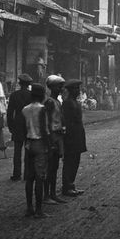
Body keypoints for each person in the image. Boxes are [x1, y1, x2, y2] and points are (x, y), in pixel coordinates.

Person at [20, 83, 49, 218]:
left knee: (29, 178)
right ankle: (39, 210)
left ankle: (29, 208)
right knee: (39, 178)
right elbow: (44, 129)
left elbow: (23, 128)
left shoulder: (25, 109)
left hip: (28, 144)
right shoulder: (42, 109)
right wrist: (49, 145)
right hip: (39, 143)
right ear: (42, 95)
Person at [43, 74, 68, 204]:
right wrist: (49, 141)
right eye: (59, 86)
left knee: (55, 167)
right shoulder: (49, 102)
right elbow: (47, 122)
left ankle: (53, 194)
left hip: (58, 136)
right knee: (50, 167)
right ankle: (46, 195)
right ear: (52, 87)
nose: (61, 88)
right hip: (52, 136)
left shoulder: (57, 101)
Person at [62, 79, 87, 196]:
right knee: (69, 162)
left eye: (78, 88)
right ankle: (67, 186)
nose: (78, 91)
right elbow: (66, 122)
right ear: (71, 90)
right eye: (76, 89)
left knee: (75, 161)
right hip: (71, 137)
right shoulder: (67, 103)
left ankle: (71, 184)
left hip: (77, 135)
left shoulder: (75, 102)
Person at [7, 73, 33, 180]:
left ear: (19, 83)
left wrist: (11, 126)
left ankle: (16, 174)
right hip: (28, 124)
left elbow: (10, 113)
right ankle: (27, 174)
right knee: (28, 151)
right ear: (28, 84)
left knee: (17, 152)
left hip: (17, 124)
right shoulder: (32, 95)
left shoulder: (14, 95)